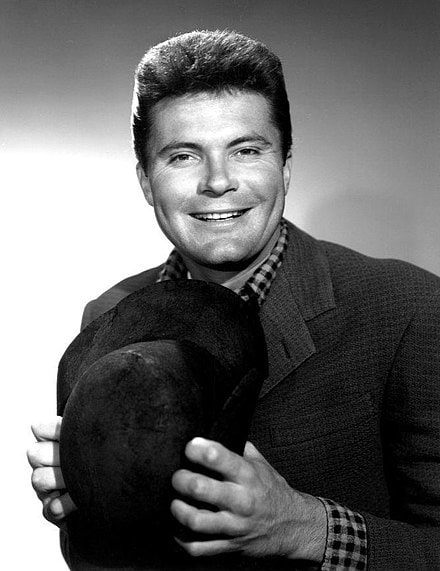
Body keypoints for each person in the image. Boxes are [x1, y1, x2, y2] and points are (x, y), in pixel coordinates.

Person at [27, 30, 440, 570]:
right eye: (183, 156)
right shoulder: (107, 317)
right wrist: (92, 512)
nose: (218, 181)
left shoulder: (410, 310)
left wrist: (306, 528)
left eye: (246, 151)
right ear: (146, 181)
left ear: (284, 165)